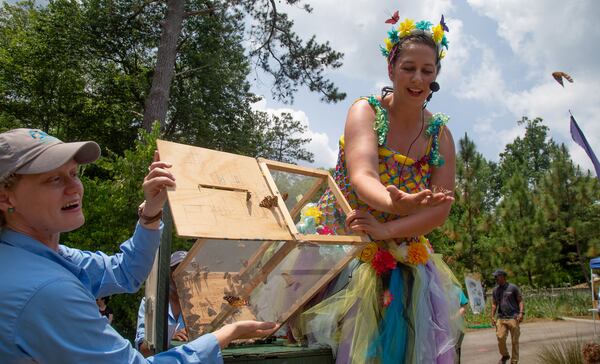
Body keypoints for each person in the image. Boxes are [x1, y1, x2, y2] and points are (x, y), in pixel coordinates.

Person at [0, 128, 276, 363]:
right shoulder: (46, 291)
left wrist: (151, 212)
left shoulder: (44, 256)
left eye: (74, 173)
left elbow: (125, 273)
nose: (75, 188)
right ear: (6, 198)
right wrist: (223, 335)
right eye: (53, 179)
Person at [296, 13, 459, 364]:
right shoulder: (365, 111)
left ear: (435, 78)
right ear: (391, 68)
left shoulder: (440, 135)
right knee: (329, 346)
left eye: (428, 71)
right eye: (409, 68)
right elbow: (363, 176)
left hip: (403, 252)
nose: (418, 79)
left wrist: (391, 226)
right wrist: (396, 202)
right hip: (341, 247)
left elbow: (440, 208)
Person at [135, 250, 189, 356]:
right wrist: (166, 338)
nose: (181, 276)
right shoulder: (150, 303)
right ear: (168, 274)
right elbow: (143, 349)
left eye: (186, 271)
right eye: (176, 270)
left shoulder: (199, 305)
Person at [491, 269, 524, 364]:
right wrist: (492, 316)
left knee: (515, 341)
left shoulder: (513, 288)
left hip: (513, 317)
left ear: (503, 277)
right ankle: (505, 355)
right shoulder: (495, 290)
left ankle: (514, 361)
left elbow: (520, 301)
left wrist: (521, 313)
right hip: (501, 318)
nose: (495, 278)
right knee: (500, 338)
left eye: (497, 276)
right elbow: (494, 304)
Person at [455, 287, 469, 364]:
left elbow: (464, 306)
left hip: (457, 326)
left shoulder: (456, 290)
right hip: (445, 327)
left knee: (455, 348)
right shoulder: (438, 289)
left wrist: (454, 316)